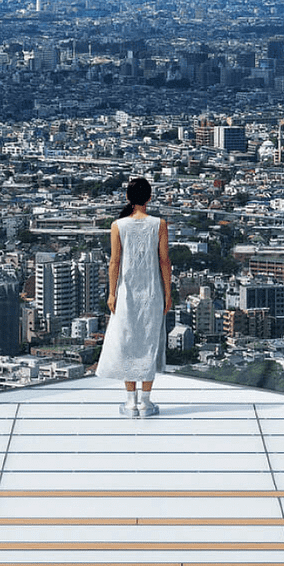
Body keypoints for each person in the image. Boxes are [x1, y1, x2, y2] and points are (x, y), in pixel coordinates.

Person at [96, 177, 172, 416]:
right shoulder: (159, 224)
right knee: (149, 343)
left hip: (125, 292)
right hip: (152, 292)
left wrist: (111, 293)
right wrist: (168, 293)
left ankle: (130, 401)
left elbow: (114, 263)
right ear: (149, 198)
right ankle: (146, 401)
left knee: (128, 343)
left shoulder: (118, 225)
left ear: (128, 198)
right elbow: (164, 262)